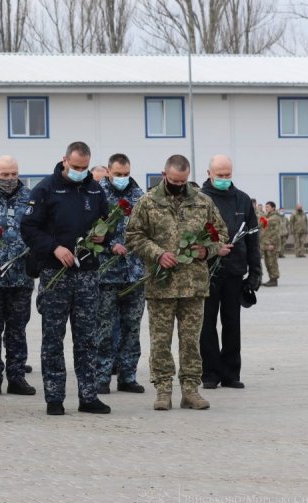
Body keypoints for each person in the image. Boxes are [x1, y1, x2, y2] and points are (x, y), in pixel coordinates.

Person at [125, 154, 227, 411]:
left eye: (182, 181)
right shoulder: (148, 202)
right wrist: (158, 254)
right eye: (173, 180)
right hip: (161, 285)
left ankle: (191, 390)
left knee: (191, 341)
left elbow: (221, 232)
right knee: (160, 341)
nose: (178, 185)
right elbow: (134, 236)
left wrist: (207, 250)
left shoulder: (203, 201)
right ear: (164, 175)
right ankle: (163, 390)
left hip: (193, 285)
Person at [20, 141, 112, 416]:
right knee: (53, 337)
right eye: (76, 167)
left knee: (86, 338)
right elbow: (28, 227)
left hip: (87, 274)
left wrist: (102, 236)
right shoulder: (46, 189)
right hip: (54, 274)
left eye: (85, 168)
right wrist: (53, 247)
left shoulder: (94, 189)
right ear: (64, 161)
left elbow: (107, 222)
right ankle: (55, 397)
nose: (80, 172)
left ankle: (88, 395)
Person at [199, 155, 261, 389]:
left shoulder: (242, 200)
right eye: (220, 175)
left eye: (228, 175)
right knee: (207, 324)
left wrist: (255, 272)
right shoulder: (200, 200)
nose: (224, 179)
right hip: (208, 272)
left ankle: (231, 373)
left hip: (235, 272)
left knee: (232, 324)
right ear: (209, 173)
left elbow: (253, 238)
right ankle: (210, 373)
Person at [0, 155, 35, 397]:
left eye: (13, 174)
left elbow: (38, 230)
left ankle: (17, 377)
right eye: (5, 175)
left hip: (21, 277)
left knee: (17, 329)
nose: (10, 179)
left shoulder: (30, 197)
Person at [95, 153, 146, 395]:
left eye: (126, 174)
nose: (122, 179)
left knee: (131, 327)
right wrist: (108, 245)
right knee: (104, 328)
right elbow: (89, 231)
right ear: (108, 172)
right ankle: (102, 376)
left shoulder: (139, 196)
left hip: (134, 273)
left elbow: (148, 229)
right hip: (106, 273)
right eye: (118, 174)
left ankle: (128, 376)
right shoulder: (96, 194)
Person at [261, 201, 281, 287]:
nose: (266, 208)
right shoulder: (268, 216)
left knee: (272, 262)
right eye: (265, 207)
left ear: (273, 208)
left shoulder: (274, 217)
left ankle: (274, 279)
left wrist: (272, 243)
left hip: (271, 244)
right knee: (267, 262)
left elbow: (275, 233)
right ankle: (271, 278)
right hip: (266, 243)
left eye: (268, 207)